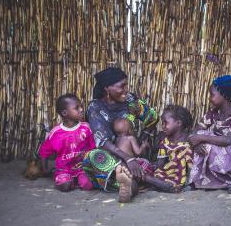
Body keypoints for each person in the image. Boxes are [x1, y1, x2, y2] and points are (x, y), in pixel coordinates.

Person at [84, 67, 158, 202]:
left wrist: (142, 139)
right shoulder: (95, 107)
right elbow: (102, 141)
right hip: (111, 160)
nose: (126, 90)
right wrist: (127, 159)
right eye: (121, 86)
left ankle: (126, 182)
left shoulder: (130, 101)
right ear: (107, 88)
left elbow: (152, 117)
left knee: (136, 166)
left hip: (133, 156)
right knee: (94, 156)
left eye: (126, 85)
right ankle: (131, 184)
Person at [188, 75, 231, 194]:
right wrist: (196, 144)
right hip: (219, 152)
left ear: (224, 95)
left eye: (212, 94)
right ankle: (196, 181)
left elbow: (228, 140)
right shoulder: (214, 113)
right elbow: (196, 131)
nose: (209, 98)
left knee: (206, 142)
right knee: (198, 137)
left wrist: (200, 138)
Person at [39, 94, 96, 192]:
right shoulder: (56, 133)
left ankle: (76, 180)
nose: (81, 109)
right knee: (65, 186)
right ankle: (67, 179)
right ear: (65, 113)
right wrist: (45, 169)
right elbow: (44, 152)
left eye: (81, 106)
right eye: (76, 108)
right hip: (63, 169)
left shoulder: (86, 128)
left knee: (88, 185)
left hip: (83, 168)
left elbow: (93, 148)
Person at [144, 105, 193, 193]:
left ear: (178, 123)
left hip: (186, 174)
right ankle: (165, 185)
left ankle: (152, 181)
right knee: (159, 174)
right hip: (170, 172)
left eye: (165, 123)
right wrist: (150, 166)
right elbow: (160, 164)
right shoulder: (165, 142)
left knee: (155, 179)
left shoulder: (190, 139)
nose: (163, 126)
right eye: (162, 123)